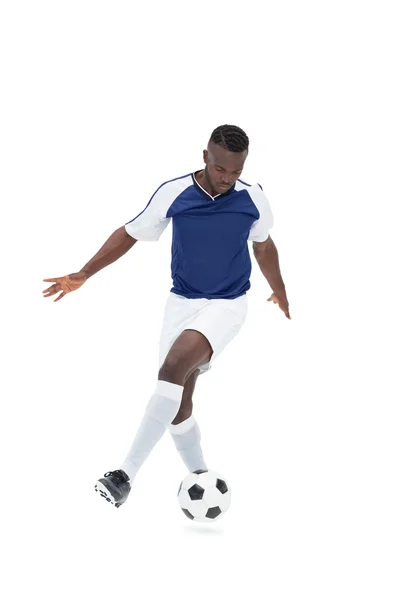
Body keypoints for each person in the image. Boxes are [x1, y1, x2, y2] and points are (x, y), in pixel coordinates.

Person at [42, 124, 291, 508]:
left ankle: (124, 474)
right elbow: (130, 232)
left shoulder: (252, 199)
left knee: (172, 370)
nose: (227, 179)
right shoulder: (174, 192)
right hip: (181, 302)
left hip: (226, 304)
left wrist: (280, 288)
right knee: (178, 406)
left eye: (236, 172)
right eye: (221, 168)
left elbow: (263, 245)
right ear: (205, 156)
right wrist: (85, 273)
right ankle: (202, 477)